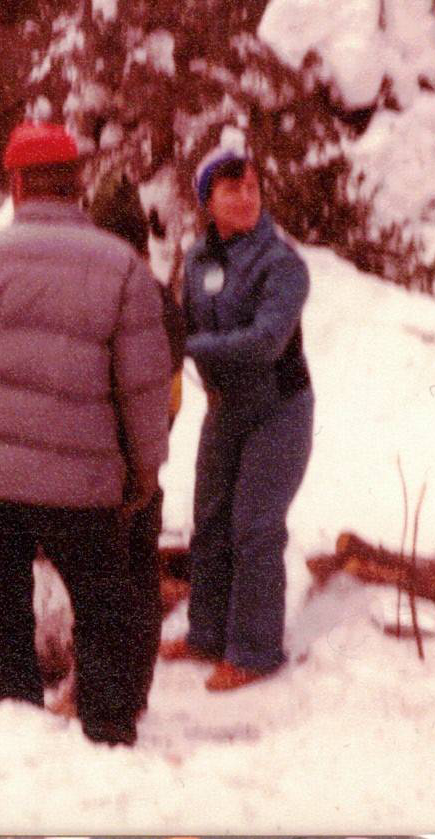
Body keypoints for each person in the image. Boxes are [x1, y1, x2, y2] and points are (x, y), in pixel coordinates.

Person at [0, 122, 172, 746]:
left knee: (4, 611)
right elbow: (143, 390)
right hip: (84, 485)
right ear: (78, 185)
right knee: (102, 610)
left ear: (15, 185)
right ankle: (108, 733)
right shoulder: (122, 270)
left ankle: (16, 733)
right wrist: (143, 474)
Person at [160, 151, 313, 692]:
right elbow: (181, 317)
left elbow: (267, 341)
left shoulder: (283, 264)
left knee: (255, 525)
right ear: (208, 200)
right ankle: (206, 633)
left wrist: (189, 345)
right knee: (211, 518)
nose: (245, 198)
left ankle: (254, 650)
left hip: (279, 409)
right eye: (231, 190)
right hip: (226, 407)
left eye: (251, 187)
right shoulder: (199, 259)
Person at [88, 175, 188, 719]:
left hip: (108, 462)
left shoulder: (104, 288)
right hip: (141, 458)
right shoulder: (158, 297)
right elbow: (171, 398)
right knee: (137, 576)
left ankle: (112, 697)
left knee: (113, 585)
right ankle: (133, 692)